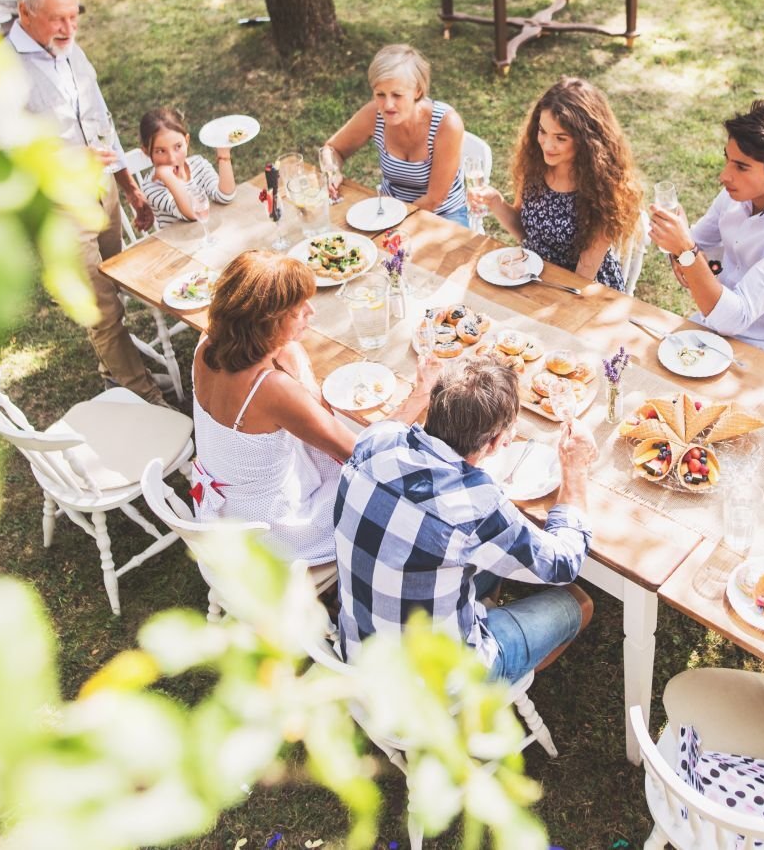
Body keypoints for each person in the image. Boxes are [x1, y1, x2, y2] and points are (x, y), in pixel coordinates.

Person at [334, 356, 596, 681]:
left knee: (481, 564)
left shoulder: (375, 441)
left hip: (359, 657)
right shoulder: (477, 505)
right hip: (427, 692)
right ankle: (493, 685)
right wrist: (575, 467)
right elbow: (563, 564)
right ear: (498, 441)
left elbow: (394, 428)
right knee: (577, 602)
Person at [190, 250, 439, 565]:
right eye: (298, 310)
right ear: (268, 322)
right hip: (272, 531)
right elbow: (365, 454)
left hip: (228, 507)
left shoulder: (209, 341)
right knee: (393, 486)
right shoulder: (270, 389)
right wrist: (420, 394)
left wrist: (287, 349)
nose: (311, 311)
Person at [6, 0, 162, 403]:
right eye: (58, 18)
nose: (69, 27)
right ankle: (146, 397)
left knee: (119, 284)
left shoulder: (71, 48)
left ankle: (115, 370)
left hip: (103, 192)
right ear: (25, 11)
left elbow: (101, 122)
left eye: (74, 15)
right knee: (103, 311)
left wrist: (128, 186)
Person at [646, 99, 764, 364]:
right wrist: (684, 252)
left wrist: (687, 252)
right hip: (713, 327)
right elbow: (693, 251)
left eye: (741, 167)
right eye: (728, 160)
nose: (724, 175)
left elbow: (734, 316)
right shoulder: (738, 193)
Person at [466, 77, 643, 292]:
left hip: (581, 289)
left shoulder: (603, 189)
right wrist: (495, 202)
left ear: (587, 141)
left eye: (560, 138)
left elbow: (583, 276)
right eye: (542, 131)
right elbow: (526, 233)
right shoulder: (535, 165)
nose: (547, 145)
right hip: (533, 275)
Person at [322, 44, 471, 227]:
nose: (387, 105)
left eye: (397, 95)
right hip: (387, 210)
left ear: (417, 91)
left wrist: (392, 223)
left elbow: (435, 199)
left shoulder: (447, 124)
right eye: (380, 94)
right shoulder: (374, 114)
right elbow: (332, 148)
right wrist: (332, 170)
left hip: (443, 215)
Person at [138, 107, 237, 230]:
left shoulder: (198, 165)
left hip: (209, 236)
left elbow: (225, 196)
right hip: (178, 246)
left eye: (177, 146)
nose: (172, 159)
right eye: (161, 151)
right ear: (146, 151)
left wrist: (224, 155)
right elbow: (193, 214)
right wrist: (168, 176)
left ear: (187, 141)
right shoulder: (152, 187)